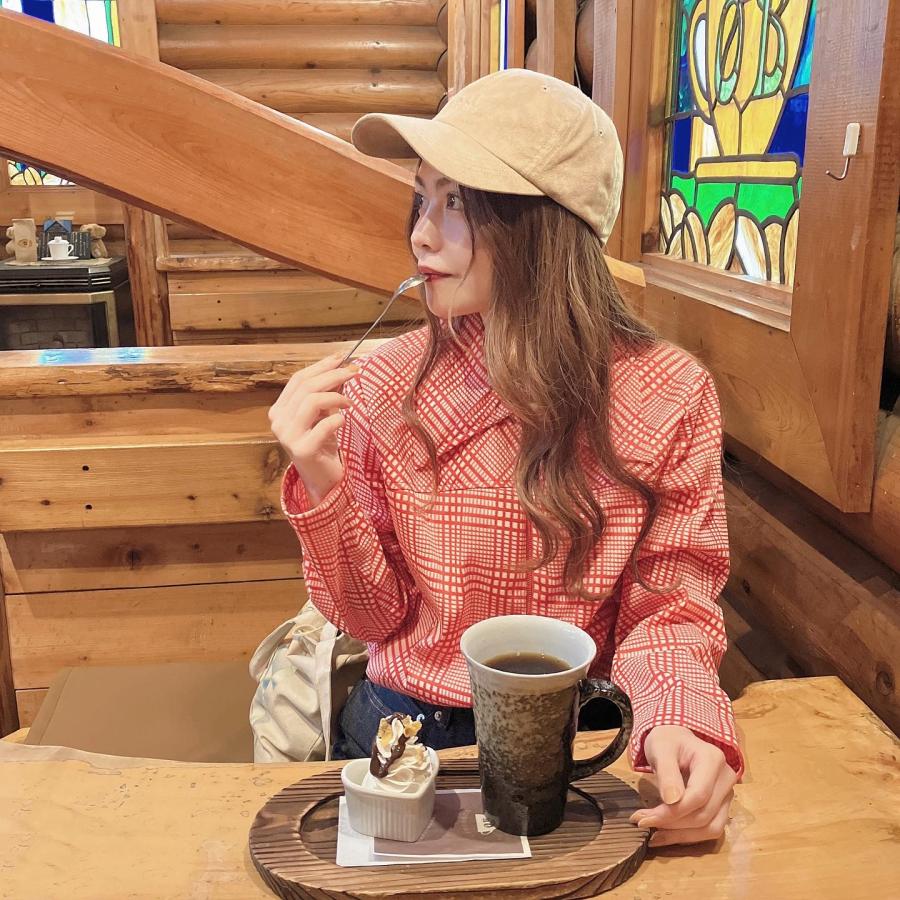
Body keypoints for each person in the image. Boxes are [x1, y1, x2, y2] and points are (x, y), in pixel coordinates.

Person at [268, 68, 742, 848]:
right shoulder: (384, 383)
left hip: (578, 738)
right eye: (422, 198)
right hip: (401, 735)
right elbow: (372, 618)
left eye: (457, 203)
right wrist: (323, 484)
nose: (422, 235)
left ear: (543, 225)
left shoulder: (667, 393)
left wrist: (679, 720)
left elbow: (672, 608)